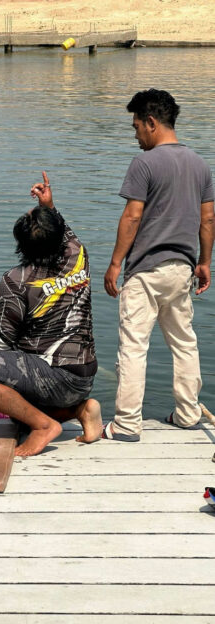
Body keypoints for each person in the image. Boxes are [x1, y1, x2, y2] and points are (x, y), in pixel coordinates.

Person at [0, 172, 102, 457]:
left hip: (52, 378)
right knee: (15, 406)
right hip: (83, 376)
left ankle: (44, 426)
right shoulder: (78, 255)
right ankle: (80, 410)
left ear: (21, 246)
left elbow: (0, 342)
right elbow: (63, 231)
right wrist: (49, 206)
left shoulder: (16, 280)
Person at [103, 89, 215, 440]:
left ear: (152, 123)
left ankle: (126, 424)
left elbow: (133, 216)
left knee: (134, 346)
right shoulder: (200, 164)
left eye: (136, 127)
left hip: (146, 271)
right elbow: (208, 219)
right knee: (184, 343)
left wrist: (115, 263)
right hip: (182, 269)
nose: (135, 135)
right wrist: (205, 262)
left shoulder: (144, 164)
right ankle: (187, 414)